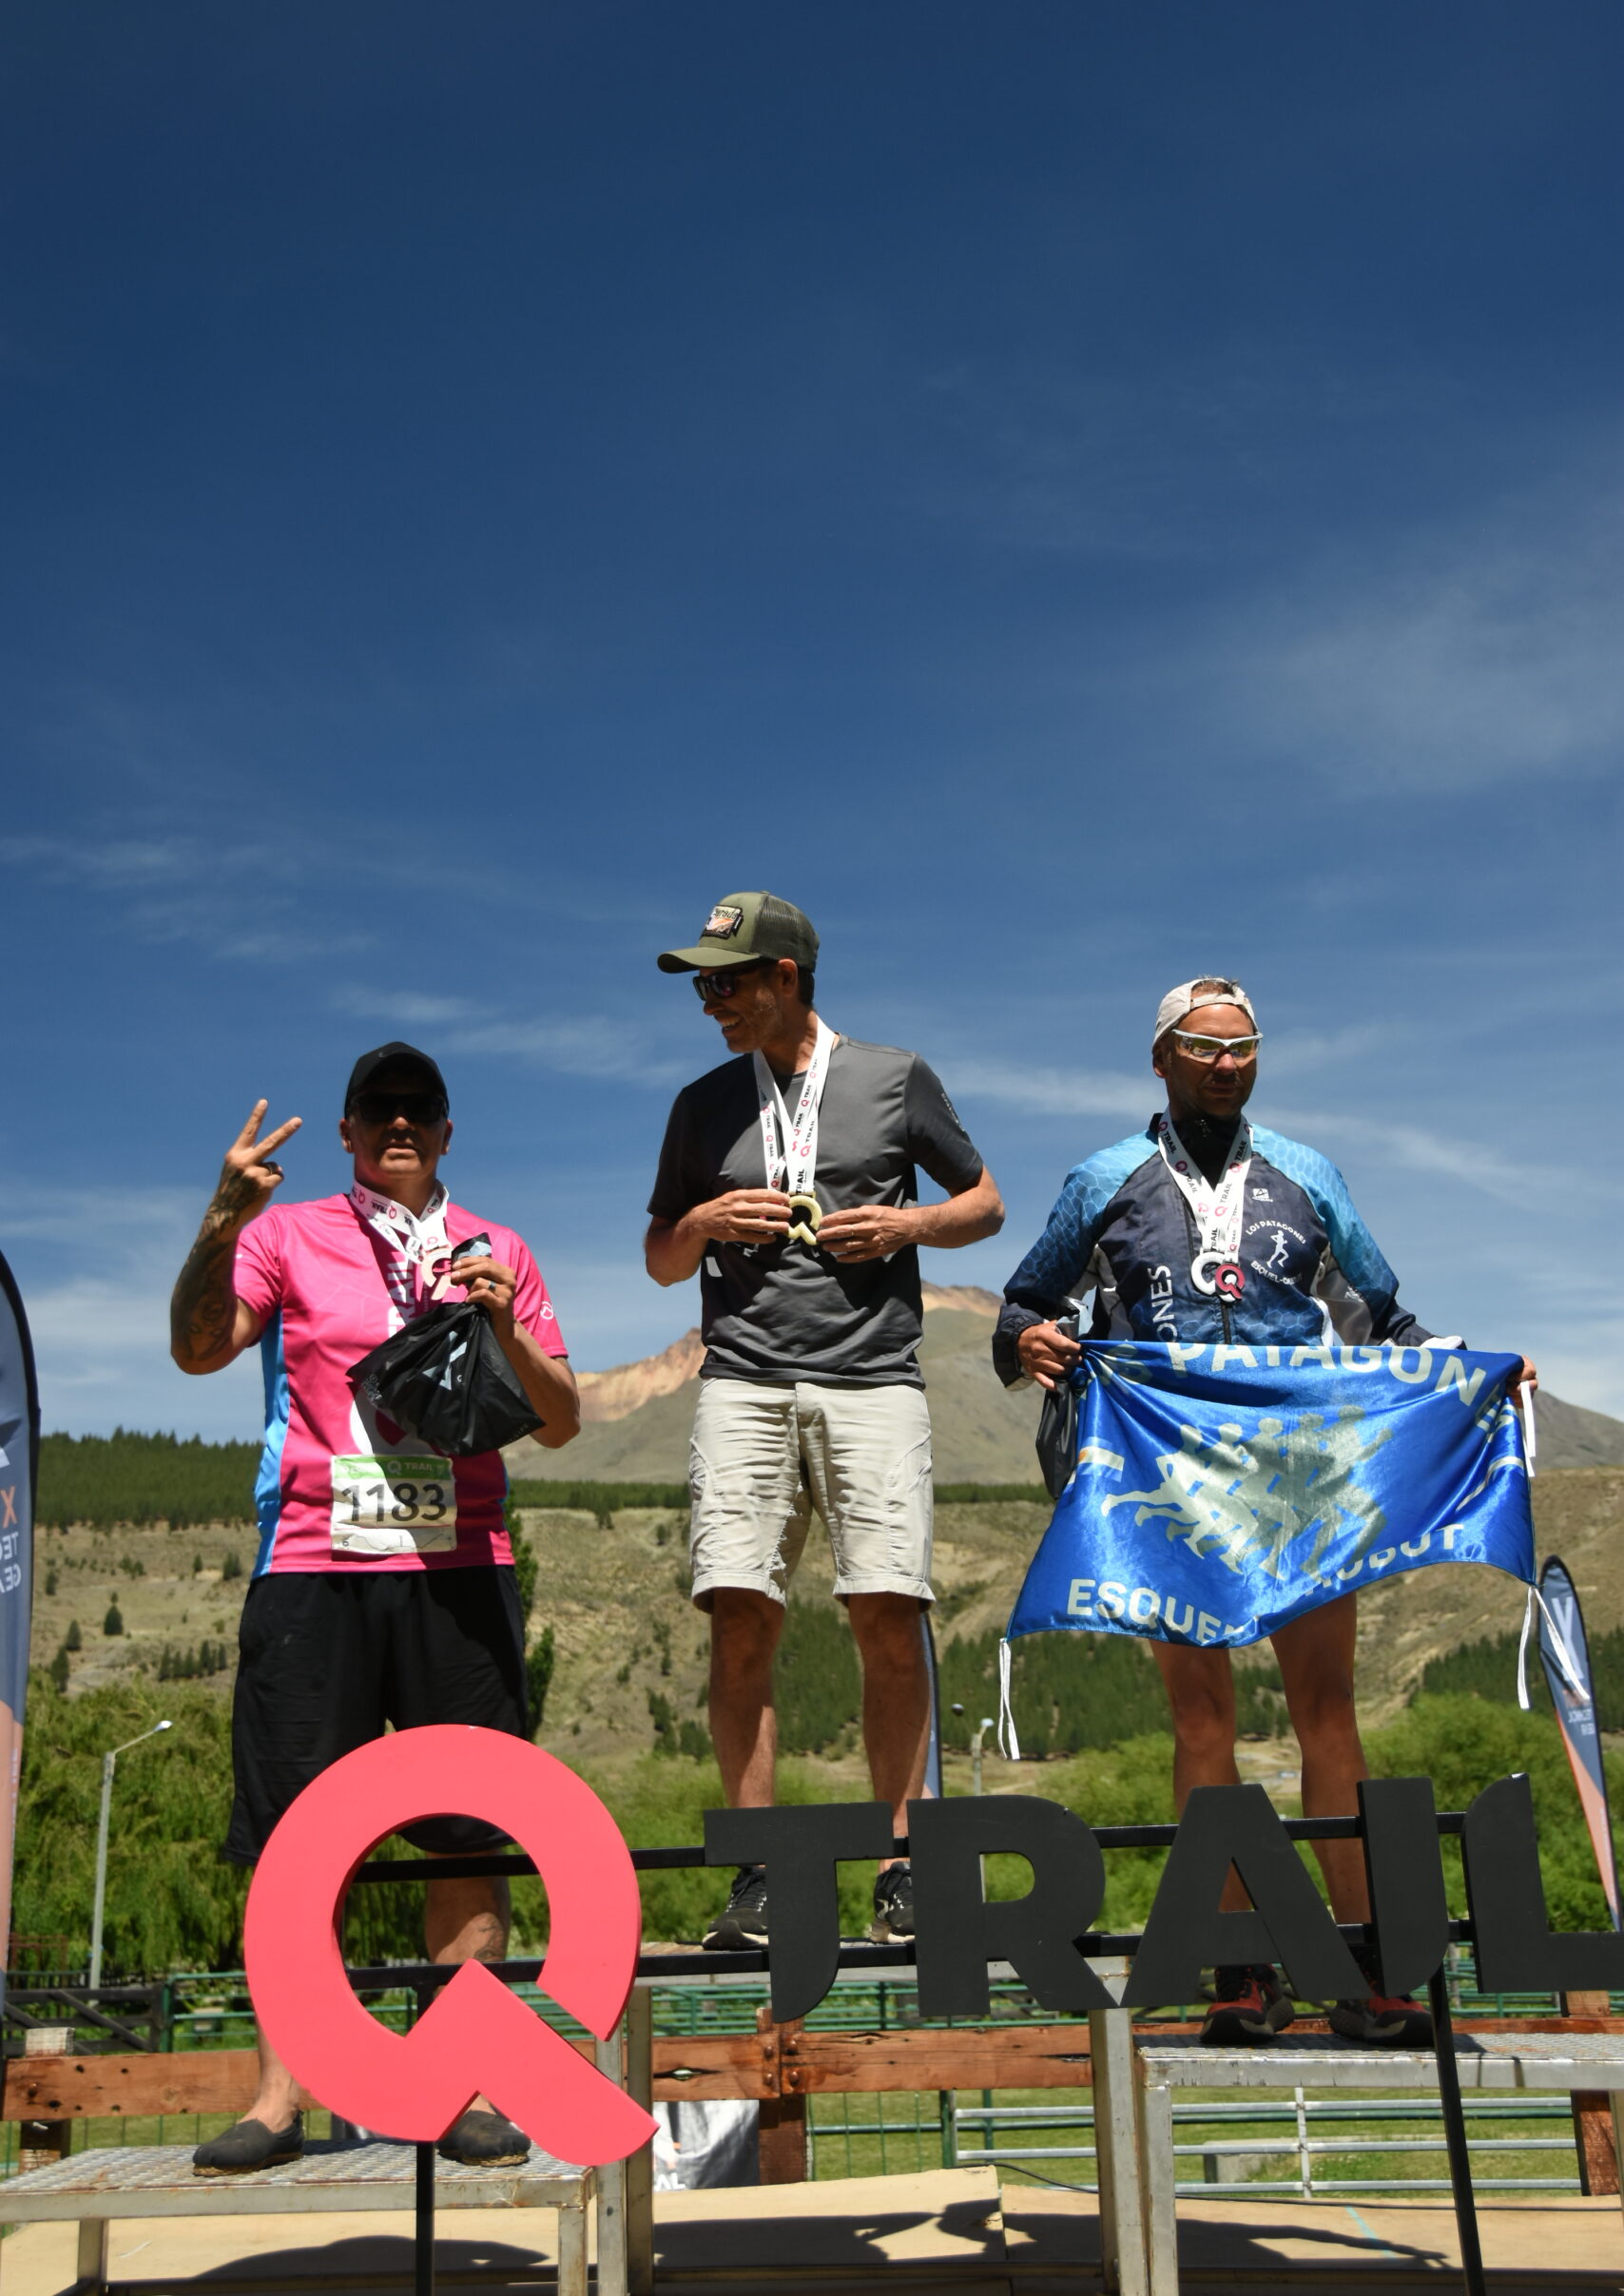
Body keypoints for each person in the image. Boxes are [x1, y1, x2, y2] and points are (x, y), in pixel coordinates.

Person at [993, 976, 1537, 2049]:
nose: (1225, 1064)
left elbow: (1385, 1318)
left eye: (1242, 1047)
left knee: (1326, 1710)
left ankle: (1367, 1964)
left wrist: (1477, 1373)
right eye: (1202, 1047)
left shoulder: (1309, 1174)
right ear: (1161, 1057)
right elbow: (1023, 1302)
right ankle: (1238, 1967)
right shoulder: (1103, 1178)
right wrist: (1025, 1340)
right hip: (1168, 1469)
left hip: (1300, 1472)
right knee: (1201, 1722)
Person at [169, 1042, 579, 2172]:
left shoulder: (500, 1247)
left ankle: (465, 2085)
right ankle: (279, 2097)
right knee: (298, 1841)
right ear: (348, 1131)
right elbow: (197, 1351)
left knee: (467, 1829)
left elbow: (560, 1421)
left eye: (419, 1107)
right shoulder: (286, 1235)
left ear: (446, 1131)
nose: (399, 1122)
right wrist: (220, 1219)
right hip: (314, 1563)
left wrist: (504, 1325)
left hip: (460, 1567)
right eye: (377, 1108)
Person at [646, 892, 1004, 1949]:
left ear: (785, 978)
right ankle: (759, 1878)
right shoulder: (701, 1103)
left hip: (873, 1380)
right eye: (702, 986)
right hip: (742, 1382)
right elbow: (661, 1257)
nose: (710, 1002)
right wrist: (703, 1219)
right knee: (739, 1617)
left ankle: (902, 1871)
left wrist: (905, 1225)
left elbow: (984, 1203)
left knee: (887, 1616)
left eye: (725, 982)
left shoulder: (895, 1077)